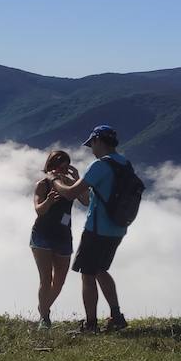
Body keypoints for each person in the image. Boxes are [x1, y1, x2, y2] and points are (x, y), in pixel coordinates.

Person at [52, 125, 131, 333]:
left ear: (97, 140)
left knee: (87, 275)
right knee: (101, 270)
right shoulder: (124, 164)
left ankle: (91, 325)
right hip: (118, 229)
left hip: (96, 230)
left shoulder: (99, 166)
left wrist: (54, 180)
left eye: (91, 144)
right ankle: (116, 316)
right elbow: (87, 199)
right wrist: (77, 179)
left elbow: (69, 194)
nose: (91, 149)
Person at [30, 150, 87, 330]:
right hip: (42, 235)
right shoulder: (43, 184)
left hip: (63, 236)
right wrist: (48, 201)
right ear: (51, 166)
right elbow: (39, 210)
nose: (61, 170)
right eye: (58, 166)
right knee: (46, 279)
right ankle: (44, 318)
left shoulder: (71, 184)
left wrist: (78, 179)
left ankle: (43, 308)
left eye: (65, 166)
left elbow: (86, 201)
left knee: (60, 280)